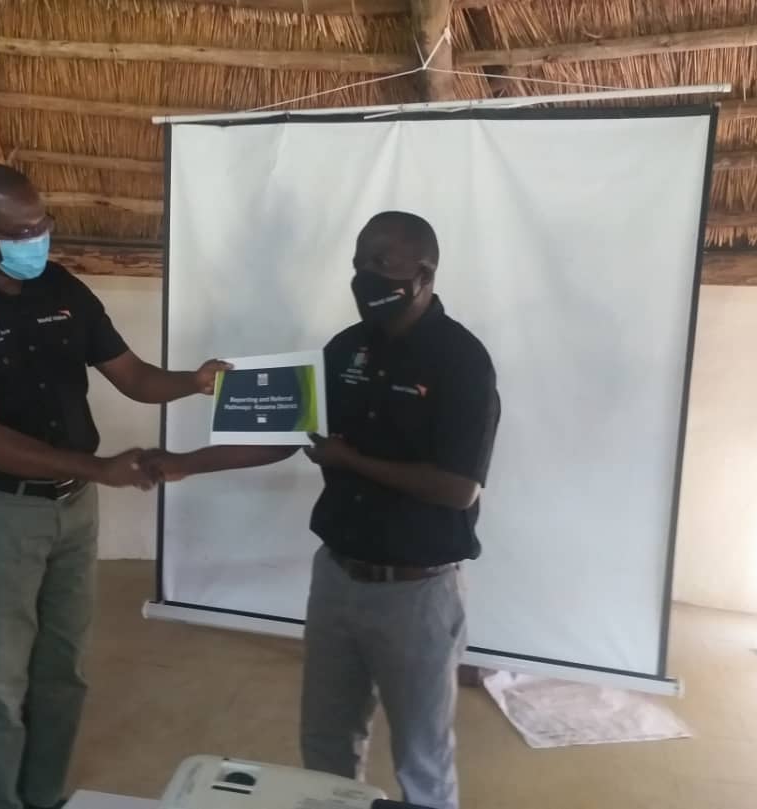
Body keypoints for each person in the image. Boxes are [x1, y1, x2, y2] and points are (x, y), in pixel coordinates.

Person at [147, 211, 501, 809]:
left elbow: (458, 488)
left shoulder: (462, 361)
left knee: (422, 758)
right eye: (359, 263)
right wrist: (183, 462)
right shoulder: (345, 349)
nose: (365, 277)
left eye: (381, 265)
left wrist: (350, 460)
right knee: (326, 745)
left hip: (417, 595)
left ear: (423, 272)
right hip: (336, 580)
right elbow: (286, 433)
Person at [0, 163, 227, 809]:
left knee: (63, 671)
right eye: (17, 229)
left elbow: (133, 375)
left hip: (73, 513)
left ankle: (45, 796)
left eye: (41, 222)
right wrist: (101, 468)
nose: (35, 237)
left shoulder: (63, 289)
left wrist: (193, 380)